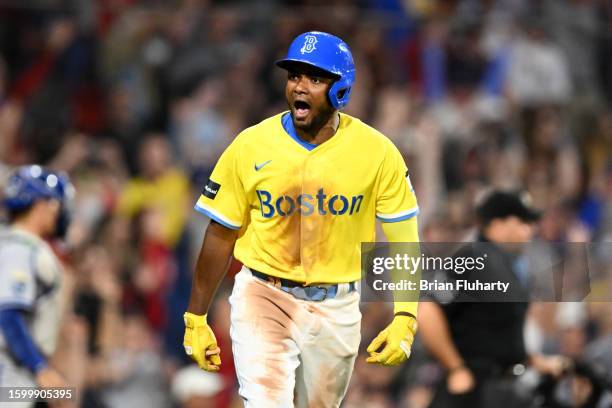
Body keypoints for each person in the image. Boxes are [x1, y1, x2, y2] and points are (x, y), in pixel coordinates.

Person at [183, 31, 421, 407]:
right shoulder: (250, 145)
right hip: (265, 293)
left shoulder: (378, 153)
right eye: (294, 76)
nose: (300, 87)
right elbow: (220, 234)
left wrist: (406, 314)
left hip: (338, 305)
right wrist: (196, 316)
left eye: (315, 78)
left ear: (341, 88)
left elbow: (404, 237)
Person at [419, 190, 568, 408]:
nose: (529, 229)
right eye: (522, 221)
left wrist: (532, 359)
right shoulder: (472, 256)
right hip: (473, 390)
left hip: (502, 388)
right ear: (497, 224)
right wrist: (455, 367)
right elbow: (427, 311)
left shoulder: (507, 264)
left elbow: (497, 335)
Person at [0, 165, 74, 406]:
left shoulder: (15, 245)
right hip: (9, 372)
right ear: (41, 205)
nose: (58, 211)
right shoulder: (20, 248)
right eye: (55, 204)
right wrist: (40, 368)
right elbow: (8, 314)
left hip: (19, 368)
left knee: (66, 397)